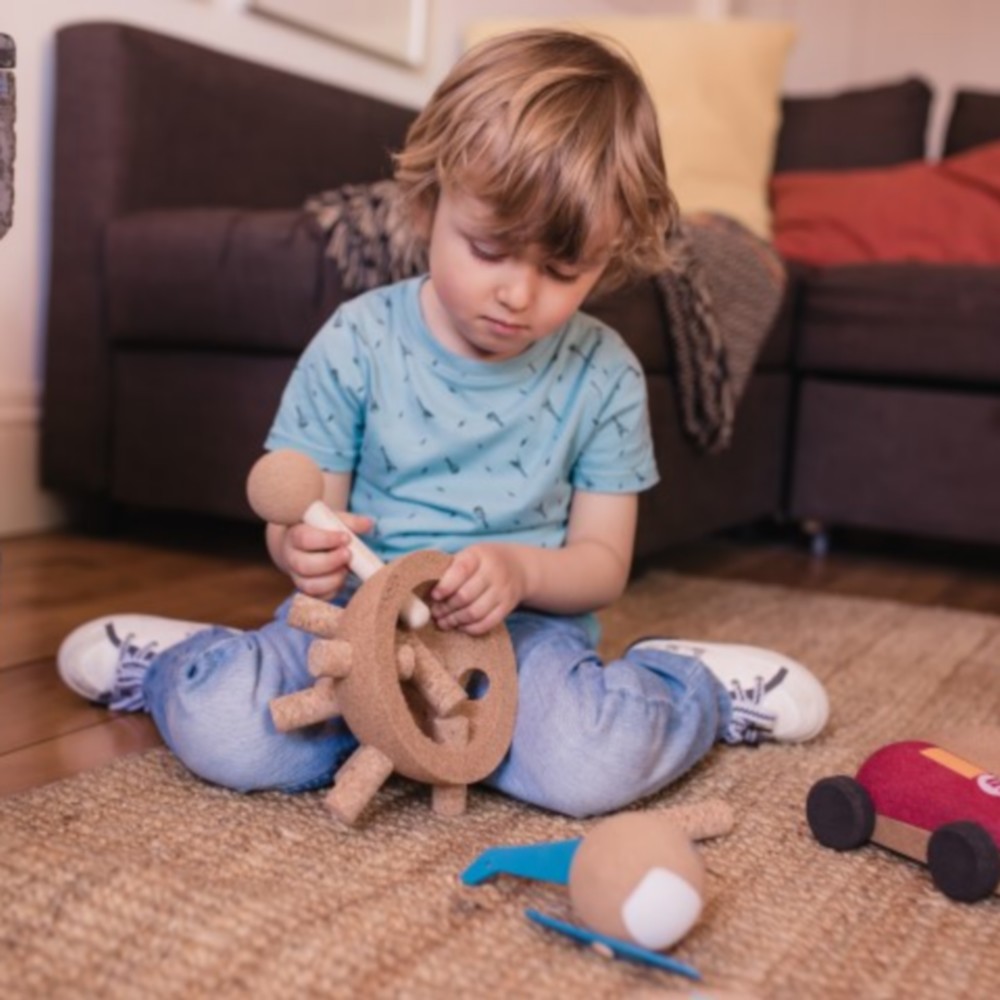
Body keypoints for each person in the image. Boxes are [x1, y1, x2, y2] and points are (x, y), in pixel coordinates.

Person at [57, 29, 828, 817]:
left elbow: (603, 562)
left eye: (565, 271)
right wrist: (302, 551)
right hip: (354, 628)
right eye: (490, 248)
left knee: (590, 766)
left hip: (520, 640)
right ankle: (174, 663)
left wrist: (523, 573)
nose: (519, 296)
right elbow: (301, 518)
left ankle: (690, 687)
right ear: (427, 207)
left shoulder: (605, 375)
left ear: (610, 257)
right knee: (228, 727)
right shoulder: (358, 340)